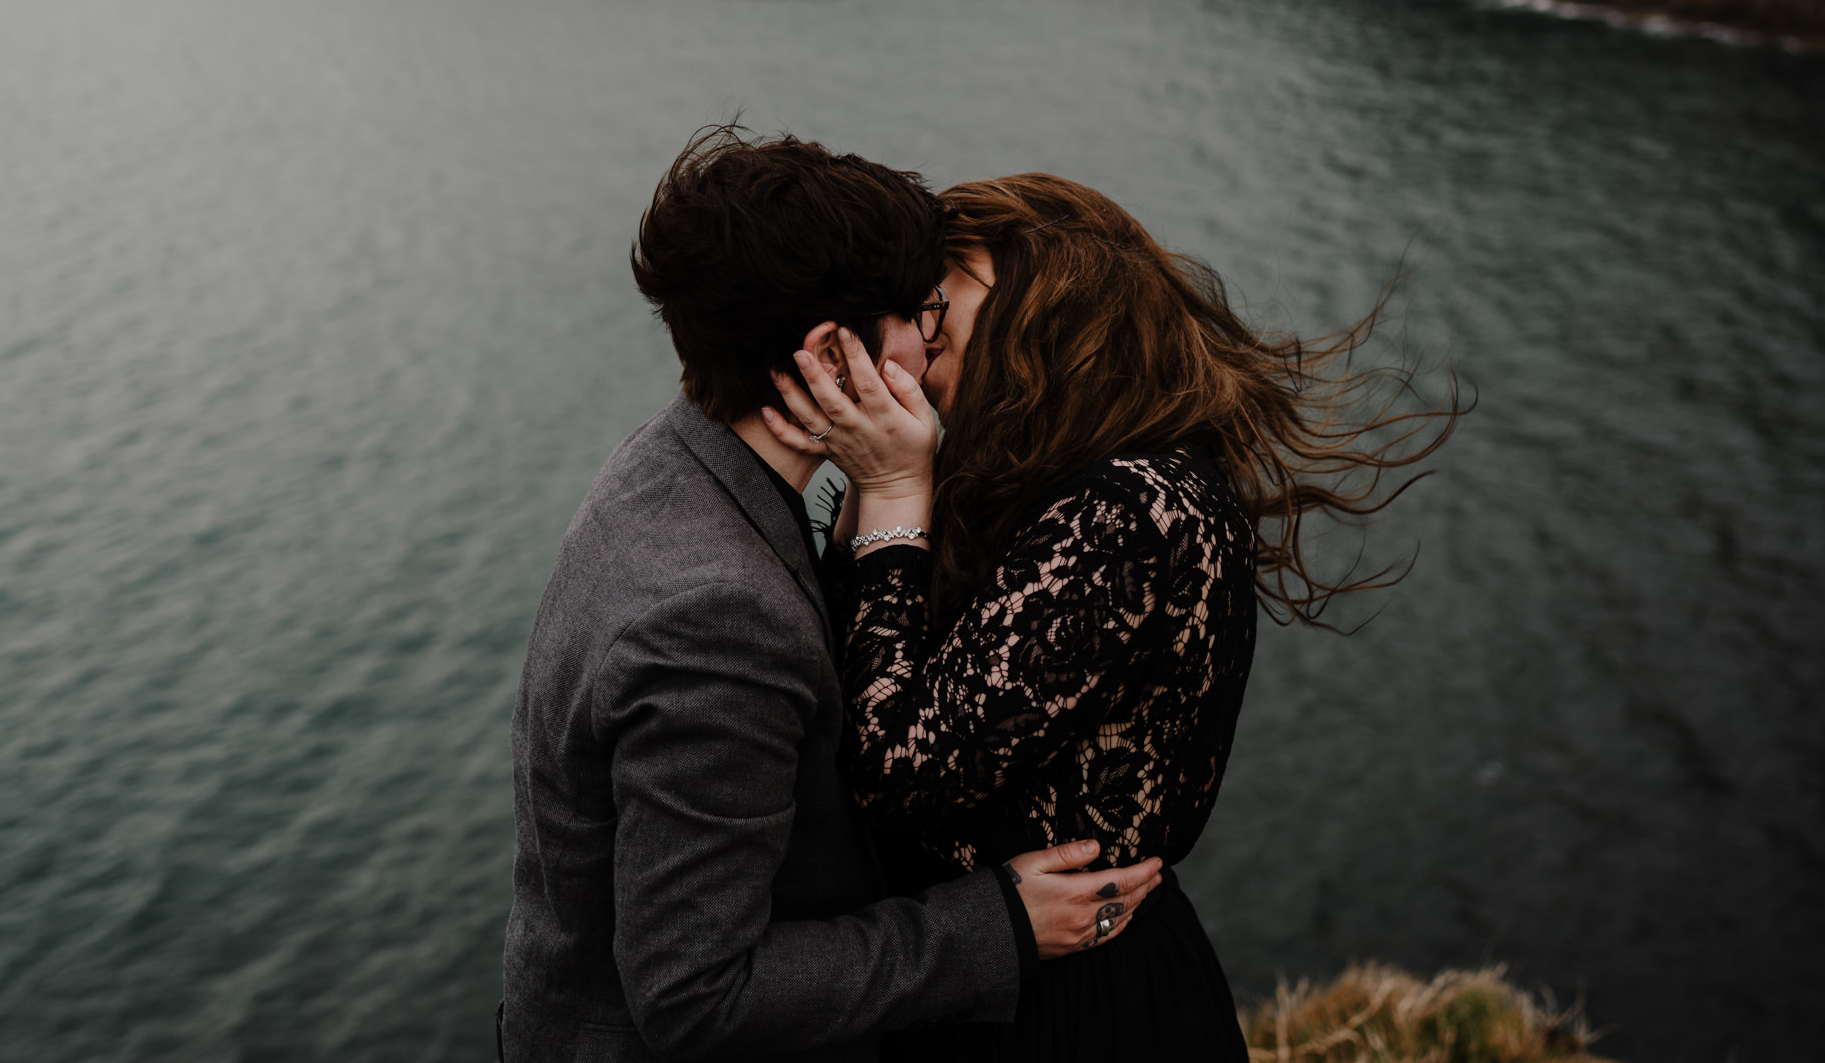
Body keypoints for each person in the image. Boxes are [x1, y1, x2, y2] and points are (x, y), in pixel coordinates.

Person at [765, 173, 1461, 1062]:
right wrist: (882, 484)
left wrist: (895, 490)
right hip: (994, 975)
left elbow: (900, 771)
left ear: (1047, 306)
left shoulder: (1125, 513)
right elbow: (847, 671)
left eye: (935, 303)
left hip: (1066, 1009)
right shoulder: (1076, 487)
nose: (916, 338)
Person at [501, 135, 1164, 1063]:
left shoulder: (666, 463)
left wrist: (876, 487)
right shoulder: (716, 620)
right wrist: (999, 924)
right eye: (920, 314)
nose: (933, 345)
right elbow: (700, 995)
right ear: (830, 351)